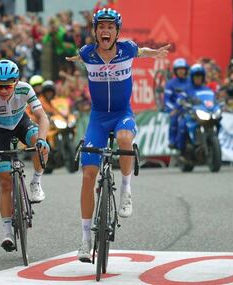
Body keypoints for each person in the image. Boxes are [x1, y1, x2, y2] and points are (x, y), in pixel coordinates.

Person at [66, 8, 170, 262]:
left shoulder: (127, 49)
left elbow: (140, 51)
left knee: (125, 139)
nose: (105, 31)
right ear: (95, 31)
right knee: (88, 174)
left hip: (122, 112)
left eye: (110, 27)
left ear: (117, 32)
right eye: (101, 27)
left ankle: (126, 190)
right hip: (98, 118)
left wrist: (152, 53)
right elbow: (80, 58)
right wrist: (74, 59)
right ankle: (85, 239)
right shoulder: (87, 53)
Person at [0, 59, 50, 251]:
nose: (3, 91)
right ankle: (7, 232)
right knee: (5, 182)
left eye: (7, 86)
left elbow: (42, 117)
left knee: (41, 146)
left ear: (16, 82)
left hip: (21, 123)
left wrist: (42, 139)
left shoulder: (25, 89)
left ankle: (36, 182)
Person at [175, 64, 216, 153]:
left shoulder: (207, 90)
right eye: (196, 76)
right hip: (191, 114)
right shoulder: (187, 89)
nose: (198, 78)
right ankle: (181, 149)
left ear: (203, 77)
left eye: (200, 76)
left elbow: (213, 100)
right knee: (183, 125)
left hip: (206, 113)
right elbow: (180, 99)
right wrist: (181, 102)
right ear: (192, 77)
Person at [164, 58, 190, 149]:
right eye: (179, 69)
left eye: (183, 69)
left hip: (190, 108)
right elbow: (167, 100)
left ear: (186, 70)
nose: (181, 71)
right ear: (175, 71)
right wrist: (174, 109)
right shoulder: (170, 84)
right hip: (175, 109)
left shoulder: (191, 81)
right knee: (174, 119)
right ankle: (172, 141)